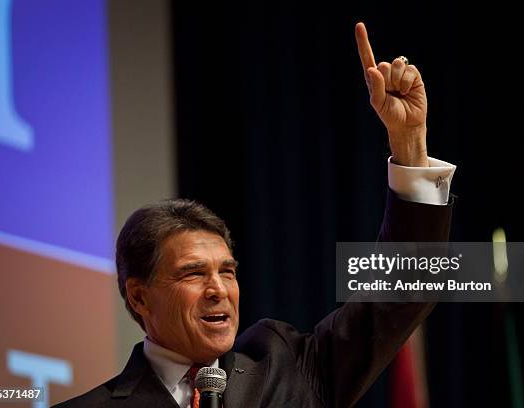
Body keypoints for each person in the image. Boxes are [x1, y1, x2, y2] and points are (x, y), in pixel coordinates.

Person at [54, 22, 456, 407]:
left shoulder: (288, 369)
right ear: (139, 296)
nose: (219, 289)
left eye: (227, 271)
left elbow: (403, 292)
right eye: (194, 273)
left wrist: (409, 144)